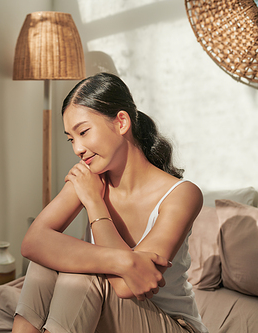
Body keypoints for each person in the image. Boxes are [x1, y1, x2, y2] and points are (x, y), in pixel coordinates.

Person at [12, 72, 208, 333]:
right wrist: (126, 262)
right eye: (71, 139)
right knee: (46, 261)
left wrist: (95, 203)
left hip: (174, 325)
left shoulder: (182, 194)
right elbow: (32, 243)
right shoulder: (89, 175)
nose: (77, 148)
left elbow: (128, 286)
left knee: (80, 273)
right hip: (110, 320)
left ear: (121, 122)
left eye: (83, 132)